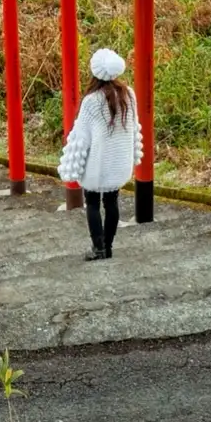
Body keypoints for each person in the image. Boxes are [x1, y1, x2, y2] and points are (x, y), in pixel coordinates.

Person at [58, 48, 143, 262]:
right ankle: (109, 245)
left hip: (97, 164)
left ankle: (98, 248)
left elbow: (81, 138)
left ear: (95, 72)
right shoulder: (128, 95)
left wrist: (72, 165)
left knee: (93, 203)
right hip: (118, 162)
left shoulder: (92, 101)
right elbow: (134, 128)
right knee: (112, 202)